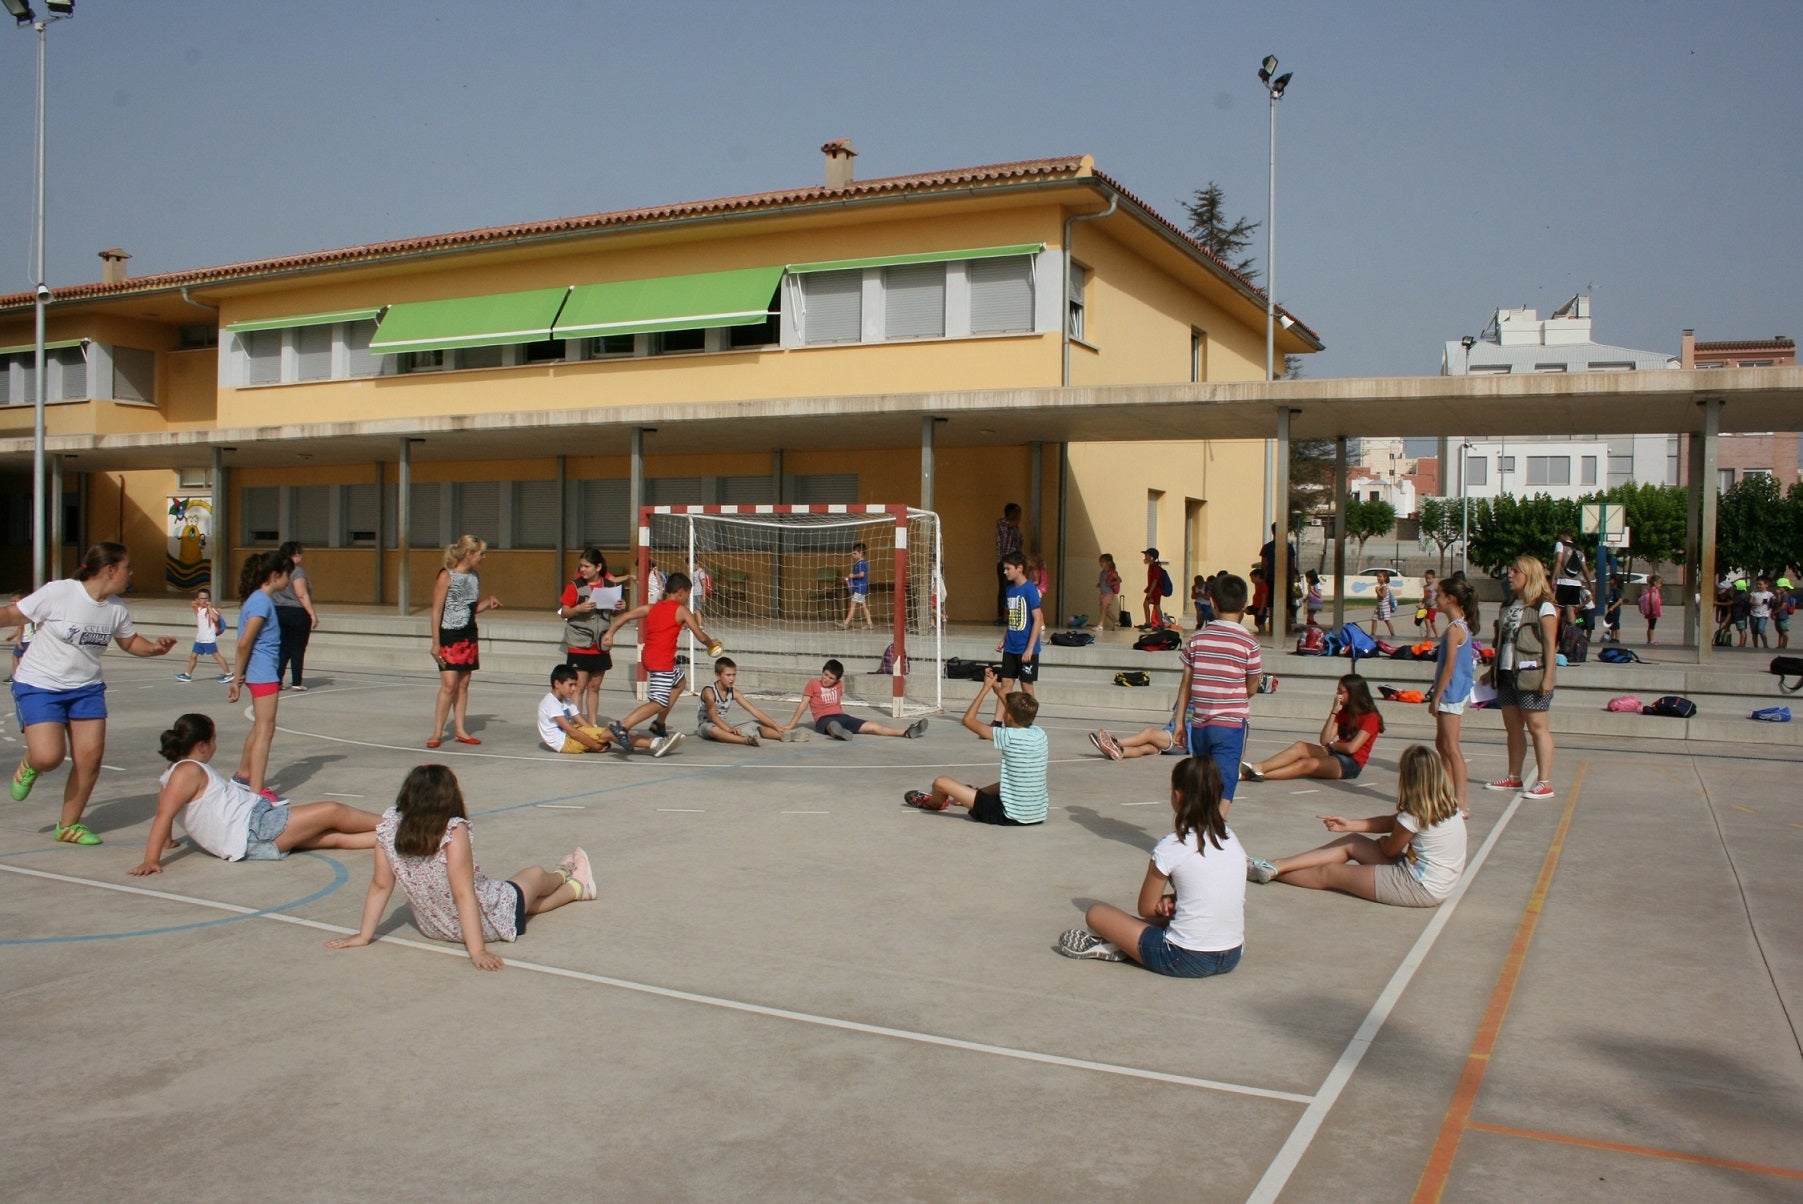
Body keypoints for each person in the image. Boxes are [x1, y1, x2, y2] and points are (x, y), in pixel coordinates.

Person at [326, 764, 596, 971]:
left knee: (524, 904)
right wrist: (477, 951)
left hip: (435, 926)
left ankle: (577, 887)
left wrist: (364, 935)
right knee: (534, 875)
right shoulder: (453, 831)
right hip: (481, 924)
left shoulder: (388, 829)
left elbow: (380, 885)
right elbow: (464, 893)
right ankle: (566, 876)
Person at [1, 543, 177, 845]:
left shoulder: (116, 608)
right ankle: (32, 763)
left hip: (86, 689)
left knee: (90, 760)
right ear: (110, 570)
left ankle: (69, 826)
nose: (130, 573)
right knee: (49, 757)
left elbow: (129, 641)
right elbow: (13, 614)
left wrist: (154, 648)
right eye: (127, 567)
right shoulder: (60, 592)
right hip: (40, 684)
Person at [1055, 756, 1244, 976]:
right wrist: (1173, 900)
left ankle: (1120, 942)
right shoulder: (1231, 839)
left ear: (1177, 796)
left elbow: (1146, 907)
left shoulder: (1172, 845)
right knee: (1182, 912)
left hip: (1184, 956)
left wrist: (1166, 901)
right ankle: (1126, 941)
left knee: (1096, 914)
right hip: (1232, 953)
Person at [130, 712, 379, 875]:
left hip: (249, 835)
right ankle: (403, 822)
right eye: (214, 740)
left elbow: (166, 808)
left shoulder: (172, 773)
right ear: (202, 746)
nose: (216, 745)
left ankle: (407, 838)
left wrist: (167, 842)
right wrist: (151, 859)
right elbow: (164, 814)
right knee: (332, 811)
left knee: (332, 837)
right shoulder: (188, 770)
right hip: (254, 827)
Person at [1245, 744, 1467, 908]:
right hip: (1432, 880)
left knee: (1330, 873)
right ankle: (1274, 865)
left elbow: (1389, 850)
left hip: (1418, 886)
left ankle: (1265, 871)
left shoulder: (1415, 812)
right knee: (1353, 841)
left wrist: (1385, 841)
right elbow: (1393, 821)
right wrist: (1351, 825)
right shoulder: (1445, 804)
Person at [601, 570, 723, 756]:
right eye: (688, 595)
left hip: (649, 657)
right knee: (658, 701)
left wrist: (610, 634)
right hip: (661, 661)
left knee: (680, 683)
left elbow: (624, 617)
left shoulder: (652, 607)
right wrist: (711, 643)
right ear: (681, 592)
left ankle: (659, 724)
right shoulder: (681, 610)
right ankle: (622, 726)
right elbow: (699, 634)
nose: (687, 599)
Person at [903, 667, 1045, 824]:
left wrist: (985, 689)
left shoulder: (1007, 736)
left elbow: (968, 720)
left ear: (1009, 716)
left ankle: (933, 803)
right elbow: (1015, 713)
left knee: (940, 782)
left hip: (1007, 815)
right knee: (1006, 783)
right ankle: (969, 794)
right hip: (1036, 814)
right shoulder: (1039, 734)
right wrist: (996, 689)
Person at [1176, 573, 1261, 804]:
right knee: (1225, 781)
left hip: (1200, 724)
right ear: (1244, 605)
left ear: (1212, 602)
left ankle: (1201, 827)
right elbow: (1252, 686)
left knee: (1202, 781)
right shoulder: (1249, 643)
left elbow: (1186, 685)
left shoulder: (1197, 639)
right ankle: (1216, 827)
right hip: (1230, 724)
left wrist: (1180, 722)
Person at [1484, 554, 1559, 801]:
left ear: (1530, 576)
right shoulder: (1508, 605)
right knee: (1512, 727)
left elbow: (1550, 645)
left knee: (1538, 728)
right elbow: (1502, 642)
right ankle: (1513, 776)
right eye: (1511, 570)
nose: (1510, 575)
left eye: (1516, 571)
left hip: (1532, 675)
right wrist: (1492, 669)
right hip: (1507, 673)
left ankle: (1544, 781)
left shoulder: (1544, 607)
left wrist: (1549, 676)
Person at [229, 550, 292, 803]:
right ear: (275, 575)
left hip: (261, 672)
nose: (289, 579)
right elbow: (245, 643)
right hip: (262, 673)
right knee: (266, 729)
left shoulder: (259, 600)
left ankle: (243, 775)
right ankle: (256, 789)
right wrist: (236, 677)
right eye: (287, 574)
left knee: (260, 727)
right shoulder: (261, 602)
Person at [428, 535, 503, 749]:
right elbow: (436, 610)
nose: (483, 557)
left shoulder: (474, 576)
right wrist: (436, 643)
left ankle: (460, 729)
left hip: (468, 634)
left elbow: (469, 608)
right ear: (469, 554)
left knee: (463, 684)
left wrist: (486, 604)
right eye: (481, 553)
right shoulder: (446, 576)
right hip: (449, 635)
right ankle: (437, 731)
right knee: (448, 684)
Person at [1240, 674, 1383, 782]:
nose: (1337, 694)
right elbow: (1325, 740)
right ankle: (1259, 767)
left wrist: (1333, 745)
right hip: (1336, 752)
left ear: (1353, 693)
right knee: (1300, 747)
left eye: (1341, 691)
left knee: (1306, 764)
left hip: (1351, 763)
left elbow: (1351, 748)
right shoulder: (1343, 711)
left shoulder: (1371, 718)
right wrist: (1334, 711)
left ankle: (1250, 775)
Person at [558, 547, 630, 727]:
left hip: (600, 644)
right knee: (579, 686)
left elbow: (613, 613)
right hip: (579, 642)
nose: (582, 570)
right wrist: (578, 609)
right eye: (581, 566)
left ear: (598, 567)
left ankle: (592, 723)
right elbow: (563, 611)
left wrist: (620, 607)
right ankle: (578, 723)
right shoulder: (575, 586)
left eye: (586, 566)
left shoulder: (610, 587)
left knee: (594, 687)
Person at [1427, 574, 1477, 815]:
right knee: (1442, 743)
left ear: (1451, 598)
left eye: (1439, 595)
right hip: (1450, 690)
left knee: (1451, 746)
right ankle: (1446, 794)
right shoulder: (1456, 626)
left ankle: (1462, 802)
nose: (1435, 599)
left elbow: (1450, 666)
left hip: (1452, 692)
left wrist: (1437, 695)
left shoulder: (1455, 629)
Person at [785, 658, 925, 740]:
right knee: (831, 724)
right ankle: (837, 732)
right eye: (825, 675)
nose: (826, 679)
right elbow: (803, 706)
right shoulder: (813, 684)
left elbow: (837, 703)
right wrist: (791, 725)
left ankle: (905, 732)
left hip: (842, 716)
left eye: (831, 678)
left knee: (873, 726)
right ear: (822, 672)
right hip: (823, 719)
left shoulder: (840, 685)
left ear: (837, 680)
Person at [536, 664, 660, 754]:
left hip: (571, 736)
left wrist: (597, 734)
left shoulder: (566, 701)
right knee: (611, 733)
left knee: (608, 732)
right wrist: (595, 745)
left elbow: (583, 724)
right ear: (557, 684)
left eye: (575, 685)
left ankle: (653, 742)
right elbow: (571, 731)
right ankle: (653, 743)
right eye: (571, 685)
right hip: (565, 743)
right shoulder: (550, 703)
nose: (574, 689)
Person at [697, 657, 792, 746]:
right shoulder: (709, 692)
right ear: (718, 675)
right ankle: (745, 740)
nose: (732, 679)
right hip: (708, 725)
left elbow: (754, 710)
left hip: (727, 725)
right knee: (715, 730)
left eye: (734, 675)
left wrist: (776, 726)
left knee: (757, 724)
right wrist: (728, 729)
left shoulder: (734, 692)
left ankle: (783, 736)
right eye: (728, 675)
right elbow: (713, 717)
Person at [994, 551, 1045, 697]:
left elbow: (1037, 619)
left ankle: (1029, 719)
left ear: (1020, 568)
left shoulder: (1030, 590)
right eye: (1004, 569)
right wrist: (1004, 639)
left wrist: (1029, 648)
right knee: (1006, 684)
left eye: (1008, 568)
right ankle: (999, 720)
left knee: (1026, 685)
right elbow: (1013, 619)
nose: (1005, 572)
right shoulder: (1009, 590)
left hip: (1026, 648)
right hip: (1011, 647)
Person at [271, 540, 319, 691]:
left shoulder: (276, 570)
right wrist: (312, 614)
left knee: (283, 647)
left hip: (279, 610)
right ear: (294, 554)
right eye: (300, 553)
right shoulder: (297, 571)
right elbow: (301, 594)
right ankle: (296, 681)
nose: (301, 556)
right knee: (298, 648)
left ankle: (277, 679)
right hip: (296, 612)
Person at [1090, 701, 1189, 761]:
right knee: (1144, 748)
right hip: (1173, 734)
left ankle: (1117, 743)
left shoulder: (1193, 697)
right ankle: (1118, 752)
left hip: (1182, 738)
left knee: (1149, 733)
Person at [174, 587, 233, 683]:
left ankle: (229, 674)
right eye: (201, 598)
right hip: (200, 639)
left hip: (208, 639)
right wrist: (196, 603)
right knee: (193, 656)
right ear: (198, 599)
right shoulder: (199, 610)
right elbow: (194, 605)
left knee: (217, 656)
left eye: (206, 598)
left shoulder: (212, 610)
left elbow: (216, 619)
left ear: (209, 599)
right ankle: (187, 674)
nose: (204, 600)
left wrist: (209, 607)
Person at [994, 502, 1023, 624]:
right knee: (1004, 588)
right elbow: (1013, 523)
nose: (1019, 516)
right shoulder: (1002, 522)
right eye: (1016, 513)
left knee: (1015, 588)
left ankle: (1013, 615)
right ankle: (1002, 616)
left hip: (1015, 561)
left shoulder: (1016, 528)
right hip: (1005, 561)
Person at [1553, 531, 1588, 625]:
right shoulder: (1579, 549)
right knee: (1570, 609)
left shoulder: (1560, 544)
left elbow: (1558, 560)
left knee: (1558, 607)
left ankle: (1556, 632)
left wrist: (1553, 578)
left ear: (1563, 535)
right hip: (1576, 583)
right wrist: (1590, 584)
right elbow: (1585, 569)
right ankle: (1572, 632)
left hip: (1563, 581)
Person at [840, 541, 872, 629]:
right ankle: (870, 623)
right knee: (863, 605)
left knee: (853, 605)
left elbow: (861, 574)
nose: (853, 555)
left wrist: (853, 575)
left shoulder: (861, 563)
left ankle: (846, 623)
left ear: (861, 553)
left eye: (855, 553)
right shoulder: (858, 563)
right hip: (860, 588)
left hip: (859, 588)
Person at [3, 590, 28, 683]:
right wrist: (12, 636)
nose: (12, 603)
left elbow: (21, 627)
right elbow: (20, 628)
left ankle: (15, 676)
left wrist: (18, 640)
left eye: (14, 600)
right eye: (11, 601)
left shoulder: (23, 612)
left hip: (25, 640)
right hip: (27, 639)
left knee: (15, 656)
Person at [1096, 553, 1122, 630]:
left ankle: (1101, 625)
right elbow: (1103, 581)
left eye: (1102, 562)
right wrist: (1099, 584)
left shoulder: (1111, 572)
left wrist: (1111, 583)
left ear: (1109, 563)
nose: (1101, 564)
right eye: (1100, 562)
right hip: (1103, 593)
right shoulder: (1102, 572)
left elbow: (1119, 580)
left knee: (1103, 608)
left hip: (1109, 593)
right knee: (1105, 610)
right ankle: (1116, 622)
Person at [1367, 569, 1397, 638]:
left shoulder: (1384, 586)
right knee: (1374, 618)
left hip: (1384, 606)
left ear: (1385, 578)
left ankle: (1393, 634)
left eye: (1380, 576)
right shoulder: (1380, 586)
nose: (1378, 578)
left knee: (1386, 620)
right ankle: (1373, 633)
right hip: (1379, 606)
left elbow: (1383, 596)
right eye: (1377, 576)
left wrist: (1377, 591)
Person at [1140, 547, 1164, 630]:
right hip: (1152, 590)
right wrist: (1148, 588)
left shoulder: (1156, 568)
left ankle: (1160, 625)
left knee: (1156, 606)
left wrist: (1149, 593)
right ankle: (1148, 623)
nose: (1145, 557)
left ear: (1151, 557)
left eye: (1146, 555)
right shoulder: (1151, 566)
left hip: (1156, 591)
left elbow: (1155, 581)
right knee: (1146, 604)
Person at [1638, 573, 1663, 646]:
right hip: (1652, 612)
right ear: (1655, 583)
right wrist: (1654, 610)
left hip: (1650, 611)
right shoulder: (1653, 591)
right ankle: (1651, 640)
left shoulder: (1650, 590)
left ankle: (1649, 640)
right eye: (1660, 583)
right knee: (1652, 626)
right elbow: (1652, 601)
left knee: (1650, 626)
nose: (1661, 585)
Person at [1750, 576, 1775, 650]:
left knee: (1761, 629)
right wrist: (1754, 603)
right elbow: (1750, 601)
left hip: (1763, 615)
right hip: (1754, 614)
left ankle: (1765, 644)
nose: (1758, 586)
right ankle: (1755, 645)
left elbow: (1774, 600)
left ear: (1766, 585)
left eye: (1760, 584)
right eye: (1757, 584)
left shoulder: (1769, 594)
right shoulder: (1754, 593)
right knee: (1754, 631)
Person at [1603, 573, 1625, 643]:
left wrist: (1612, 607)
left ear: (1615, 581)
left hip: (1615, 610)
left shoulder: (1617, 590)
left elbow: (1620, 601)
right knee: (1612, 624)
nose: (1610, 581)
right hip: (1612, 610)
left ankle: (1617, 639)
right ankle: (1612, 638)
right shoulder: (1613, 589)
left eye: (1611, 580)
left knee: (1616, 624)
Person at [1420, 569, 1439, 637]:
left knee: (1427, 620)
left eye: (1429, 578)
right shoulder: (1425, 587)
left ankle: (1428, 634)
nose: (1427, 580)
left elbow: (1439, 595)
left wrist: (1434, 602)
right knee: (1432, 621)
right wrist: (1421, 603)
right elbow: (1425, 597)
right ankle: (1437, 634)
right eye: (1426, 578)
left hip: (1433, 607)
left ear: (1433, 578)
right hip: (1426, 606)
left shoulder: (1435, 586)